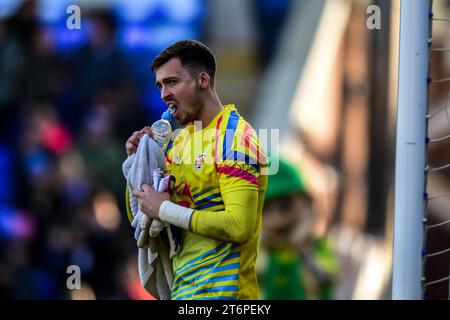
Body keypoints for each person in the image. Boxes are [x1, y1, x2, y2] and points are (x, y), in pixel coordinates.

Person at [125, 40, 268, 300]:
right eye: (160, 85)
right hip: (184, 292)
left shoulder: (235, 138)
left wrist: (165, 209)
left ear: (202, 79)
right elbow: (143, 217)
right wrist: (137, 163)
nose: (163, 94)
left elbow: (240, 226)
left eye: (172, 82)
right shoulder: (178, 141)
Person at [259, 158, 338, 300]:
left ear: (307, 202)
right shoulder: (261, 251)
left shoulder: (316, 246)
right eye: (265, 209)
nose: (277, 219)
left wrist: (308, 256)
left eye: (285, 205)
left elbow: (329, 278)